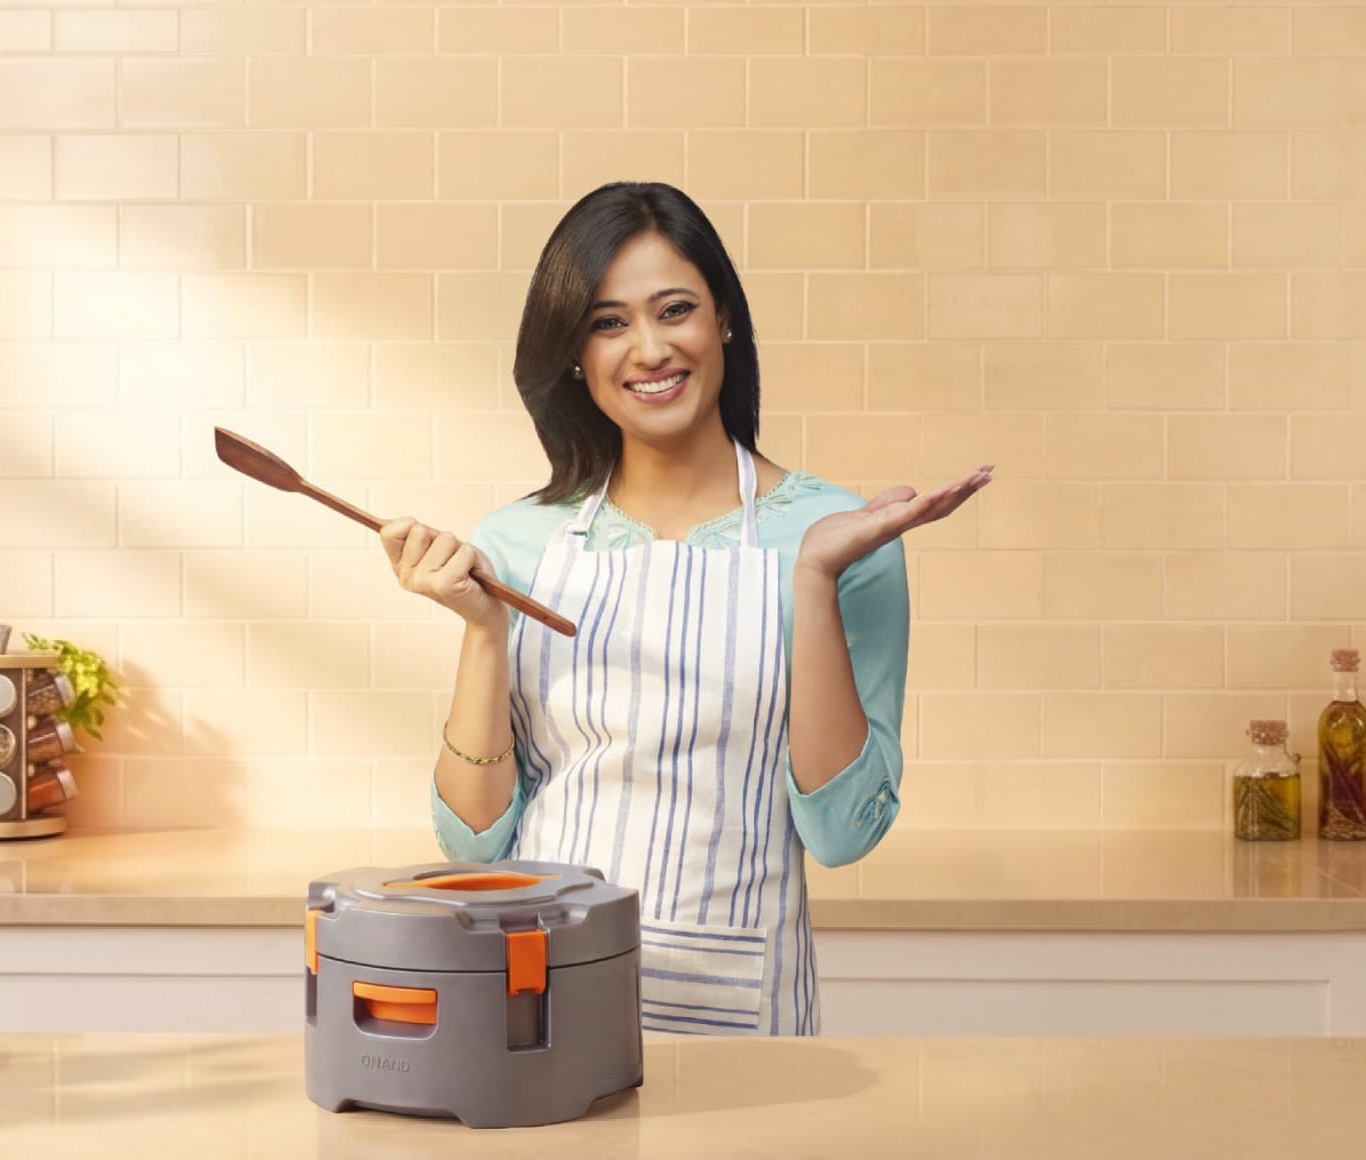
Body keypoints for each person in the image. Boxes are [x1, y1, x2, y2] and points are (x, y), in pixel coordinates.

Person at [377, 181, 990, 1037]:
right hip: (539, 997)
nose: (650, 348)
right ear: (574, 355)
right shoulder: (518, 542)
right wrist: (485, 629)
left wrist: (812, 580)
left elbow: (844, 835)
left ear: (725, 320)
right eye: (608, 322)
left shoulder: (837, 534)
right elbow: (475, 844)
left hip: (741, 1007)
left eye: (676, 310)